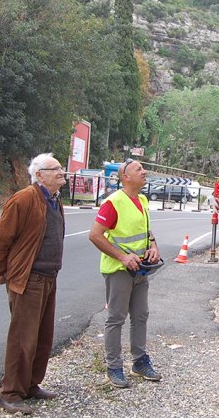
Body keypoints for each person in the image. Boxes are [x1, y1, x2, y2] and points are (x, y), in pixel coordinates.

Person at [0, 153, 67, 415]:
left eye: (61, 168)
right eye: (55, 169)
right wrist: (3, 270)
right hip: (29, 279)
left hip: (48, 277)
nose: (61, 172)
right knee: (23, 338)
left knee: (42, 336)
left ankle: (31, 384)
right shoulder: (24, 199)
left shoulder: (54, 199)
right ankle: (10, 393)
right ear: (39, 175)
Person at [88, 158, 162, 388]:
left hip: (140, 270)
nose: (144, 171)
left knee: (141, 315)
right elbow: (95, 235)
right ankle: (114, 367)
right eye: (139, 169)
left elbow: (146, 230)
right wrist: (122, 256)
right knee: (116, 319)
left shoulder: (142, 199)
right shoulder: (113, 203)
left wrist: (154, 246)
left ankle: (139, 361)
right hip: (119, 270)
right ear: (126, 177)